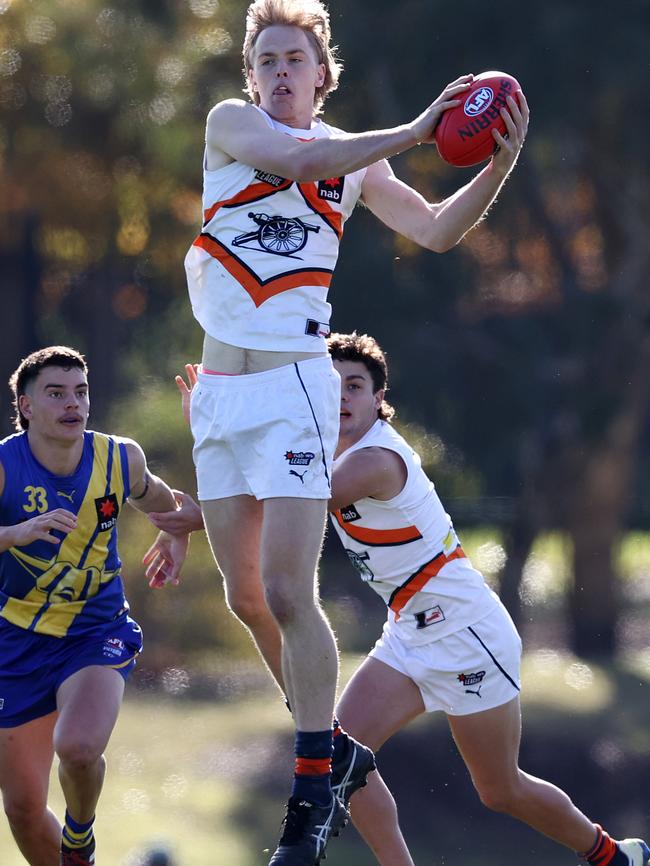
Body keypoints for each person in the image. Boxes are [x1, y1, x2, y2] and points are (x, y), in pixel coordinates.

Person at [182, 0, 529, 862]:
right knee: (246, 599)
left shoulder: (356, 163)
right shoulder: (234, 126)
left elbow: (438, 230)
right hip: (221, 391)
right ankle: (329, 755)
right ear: (251, 76)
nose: (279, 71)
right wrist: (415, 129)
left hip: (297, 382)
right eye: (265, 59)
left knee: (290, 590)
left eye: (296, 57)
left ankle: (309, 796)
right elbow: (301, 157)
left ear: (322, 73)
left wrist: (499, 164)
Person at [150, 335, 649, 866]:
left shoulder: (375, 459)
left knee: (500, 790)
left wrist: (204, 495)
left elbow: (291, 501)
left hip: (466, 633)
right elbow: (268, 483)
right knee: (338, 754)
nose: (341, 395)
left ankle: (614, 857)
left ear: (377, 397)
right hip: (409, 630)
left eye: (355, 386)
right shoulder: (317, 453)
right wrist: (215, 428)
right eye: (330, 385)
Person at [0, 346, 190, 866]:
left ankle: (79, 839)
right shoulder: (3, 464)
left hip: (96, 630)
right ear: (26, 406)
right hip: (15, 639)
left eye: (80, 392)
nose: (73, 404)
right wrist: (16, 532)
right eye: (56, 393)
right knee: (20, 807)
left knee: (79, 748)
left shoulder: (119, 457)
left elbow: (159, 499)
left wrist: (179, 533)